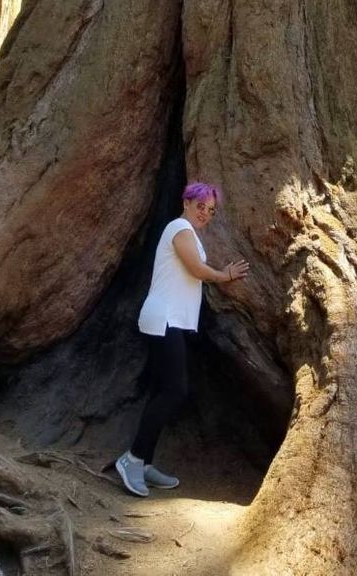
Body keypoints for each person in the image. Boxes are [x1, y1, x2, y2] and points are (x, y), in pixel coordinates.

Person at [115, 182, 249, 497]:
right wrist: (224, 275)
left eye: (211, 210)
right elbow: (196, 269)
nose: (205, 213)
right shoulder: (179, 227)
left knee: (164, 390)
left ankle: (144, 463)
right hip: (164, 318)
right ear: (186, 202)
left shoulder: (188, 232)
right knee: (175, 390)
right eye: (201, 205)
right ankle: (131, 459)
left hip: (169, 319)